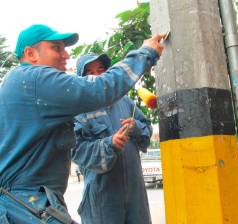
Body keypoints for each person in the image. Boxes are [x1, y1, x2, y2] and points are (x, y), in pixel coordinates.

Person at [0, 24, 164, 224]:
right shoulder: (34, 79)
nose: (65, 55)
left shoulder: (26, 87)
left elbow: (143, 129)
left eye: (101, 70)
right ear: (31, 53)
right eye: (56, 48)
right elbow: (100, 90)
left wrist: (136, 128)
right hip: (27, 202)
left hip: (32, 200)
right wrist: (145, 53)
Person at [72, 53, 152, 224]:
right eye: (90, 73)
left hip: (135, 195)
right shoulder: (78, 110)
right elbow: (76, 150)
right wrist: (110, 144)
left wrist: (136, 128)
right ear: (81, 78)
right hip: (103, 199)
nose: (97, 76)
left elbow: (147, 128)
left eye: (101, 70)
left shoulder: (126, 102)